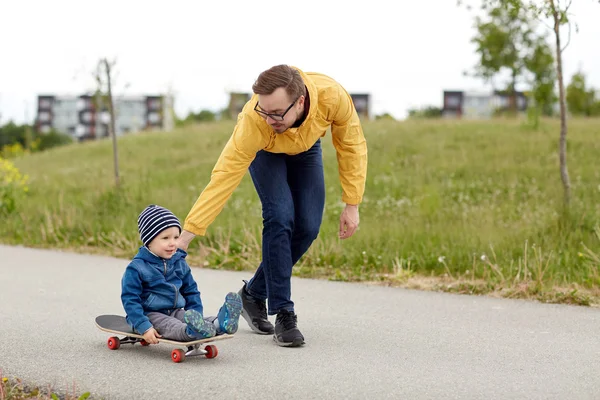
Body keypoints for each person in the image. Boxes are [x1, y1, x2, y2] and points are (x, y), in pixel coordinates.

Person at [177, 65, 368, 347]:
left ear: (300, 101)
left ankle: (252, 294)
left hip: (306, 148)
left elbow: (351, 145)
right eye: (263, 111)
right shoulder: (256, 123)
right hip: (266, 153)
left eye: (277, 113)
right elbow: (224, 177)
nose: (269, 119)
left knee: (308, 227)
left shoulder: (332, 96)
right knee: (279, 217)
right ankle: (284, 313)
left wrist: (352, 203)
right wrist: (187, 234)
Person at [121, 204, 243, 343]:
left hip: (175, 310)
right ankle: (191, 332)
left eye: (176, 237)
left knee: (189, 318)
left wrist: (196, 314)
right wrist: (144, 326)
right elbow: (130, 299)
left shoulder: (179, 263)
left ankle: (220, 323)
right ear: (148, 241)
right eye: (165, 238)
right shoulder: (137, 267)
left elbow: (191, 291)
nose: (172, 243)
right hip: (149, 315)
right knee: (172, 325)